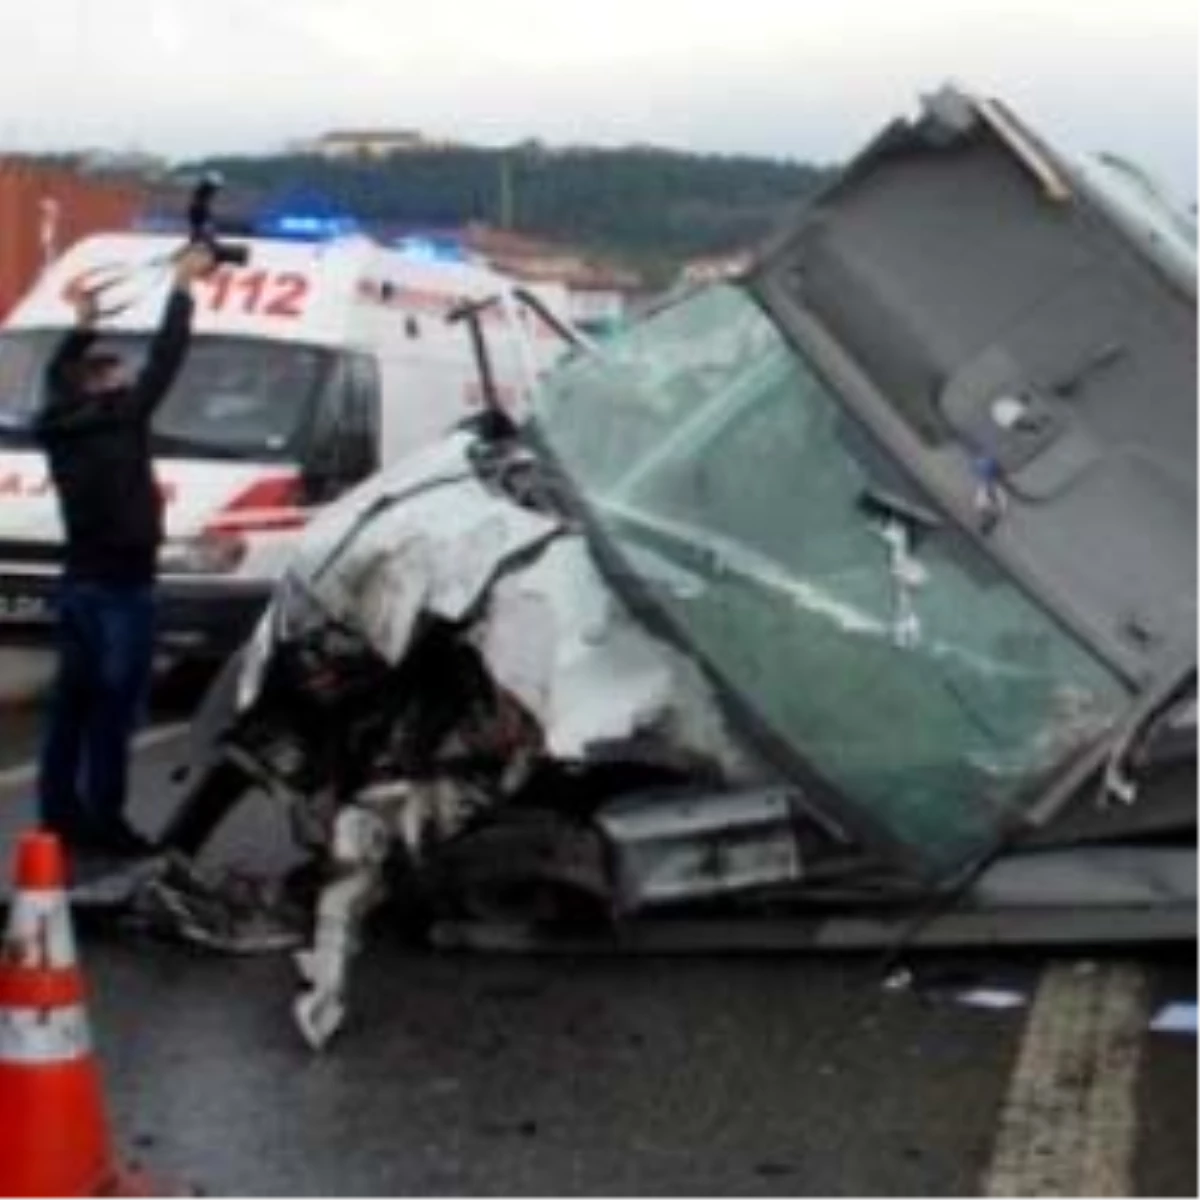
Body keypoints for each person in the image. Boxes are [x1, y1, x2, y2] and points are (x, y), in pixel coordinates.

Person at [35, 245, 216, 856]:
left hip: (79, 580)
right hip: (123, 588)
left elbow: (57, 375)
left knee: (70, 708)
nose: (124, 377)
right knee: (114, 711)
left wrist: (82, 323)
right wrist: (184, 287)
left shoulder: (57, 424)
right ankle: (104, 821)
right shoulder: (119, 419)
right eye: (112, 371)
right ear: (100, 386)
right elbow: (169, 359)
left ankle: (57, 814)